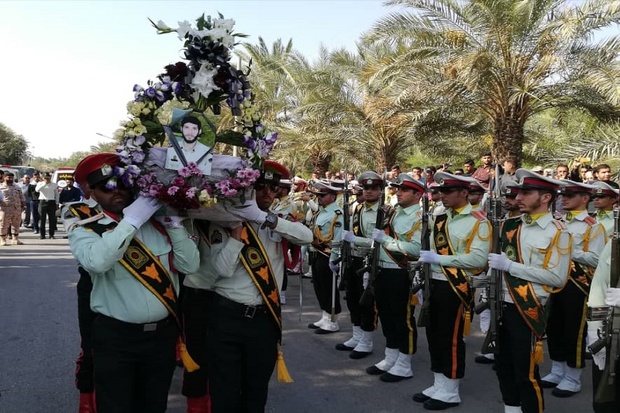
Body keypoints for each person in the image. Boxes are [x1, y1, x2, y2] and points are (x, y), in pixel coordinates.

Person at [65, 152, 200, 413]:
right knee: (116, 406)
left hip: (161, 336)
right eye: (107, 187)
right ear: (92, 193)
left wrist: (173, 223)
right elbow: (97, 262)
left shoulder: (156, 222)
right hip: (116, 337)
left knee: (153, 405)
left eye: (125, 183)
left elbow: (190, 266)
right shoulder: (86, 225)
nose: (118, 192)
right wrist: (132, 221)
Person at [199, 161, 313, 412]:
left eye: (273, 188)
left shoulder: (277, 221)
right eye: (260, 186)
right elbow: (223, 270)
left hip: (264, 319)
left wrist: (265, 218)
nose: (268, 193)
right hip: (227, 316)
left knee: (256, 390)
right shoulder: (222, 222)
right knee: (225, 391)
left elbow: (307, 237)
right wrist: (236, 235)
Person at [487, 169, 573, 413]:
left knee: (526, 372)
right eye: (519, 192)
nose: (519, 197)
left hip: (527, 306)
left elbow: (557, 278)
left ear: (545, 198)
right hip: (500, 303)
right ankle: (511, 409)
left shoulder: (558, 231)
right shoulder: (510, 225)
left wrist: (511, 266)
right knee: (503, 366)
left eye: (526, 192)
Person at [413, 172, 491, 410]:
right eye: (441, 192)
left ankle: (451, 388)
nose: (442, 196)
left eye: (447, 192)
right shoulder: (439, 218)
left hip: (455, 286)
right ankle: (439, 382)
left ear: (464, 193)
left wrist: (439, 259)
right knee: (435, 335)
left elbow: (478, 259)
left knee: (451, 338)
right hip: (434, 283)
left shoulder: (479, 221)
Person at [540, 180, 606, 397]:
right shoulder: (557, 221)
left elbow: (596, 259)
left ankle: (572, 377)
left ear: (585, 199)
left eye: (570, 195)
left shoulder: (592, 226)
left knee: (573, 331)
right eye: (562, 195)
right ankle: (557, 370)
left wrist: (566, 250)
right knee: (553, 327)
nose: (563, 199)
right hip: (554, 280)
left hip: (577, 285)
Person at [367, 173, 423, 382]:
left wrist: (387, 241)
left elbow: (416, 249)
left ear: (418, 194)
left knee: (403, 319)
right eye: (398, 189)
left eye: (404, 190)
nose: (398, 193)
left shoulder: (420, 217)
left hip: (401, 272)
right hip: (382, 270)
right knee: (386, 315)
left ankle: (404, 362)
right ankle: (390, 356)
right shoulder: (393, 212)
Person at [338, 171, 388, 358]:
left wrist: (356, 240)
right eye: (366, 188)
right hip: (354, 258)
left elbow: (380, 241)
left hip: (370, 261)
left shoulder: (384, 212)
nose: (368, 192)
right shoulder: (358, 208)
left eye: (373, 188)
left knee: (366, 302)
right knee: (352, 298)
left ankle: (366, 341)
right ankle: (356, 335)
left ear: (380, 191)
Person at [587, 241, 620, 413]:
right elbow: (599, 290)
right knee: (605, 404)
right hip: (612, 335)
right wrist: (594, 332)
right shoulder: (614, 243)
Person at [307, 180, 344, 334]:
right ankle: (324, 315)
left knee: (328, 288)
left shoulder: (337, 213)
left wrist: (334, 259)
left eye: (322, 195)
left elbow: (337, 238)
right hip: (316, 252)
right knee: (319, 286)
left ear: (333, 196)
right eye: (318, 195)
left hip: (327, 254)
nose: (319, 197)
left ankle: (333, 320)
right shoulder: (321, 211)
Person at [0, 172, 26, 246]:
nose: (10, 179)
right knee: (3, 224)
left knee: (16, 224)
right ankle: (2, 239)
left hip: (16, 209)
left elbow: (21, 196)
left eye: (11, 178)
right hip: (5, 209)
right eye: (8, 177)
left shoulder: (17, 187)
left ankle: (15, 239)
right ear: (4, 177)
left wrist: (24, 205)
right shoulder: (1, 187)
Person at [35, 172, 59, 239]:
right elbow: (37, 190)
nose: (47, 179)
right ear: (43, 178)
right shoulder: (40, 184)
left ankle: (51, 234)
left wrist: (57, 203)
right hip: (43, 201)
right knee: (42, 219)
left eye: (48, 178)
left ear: (50, 178)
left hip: (51, 202)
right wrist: (44, 184)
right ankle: (42, 235)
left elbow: (57, 194)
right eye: (45, 178)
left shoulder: (54, 185)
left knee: (52, 219)